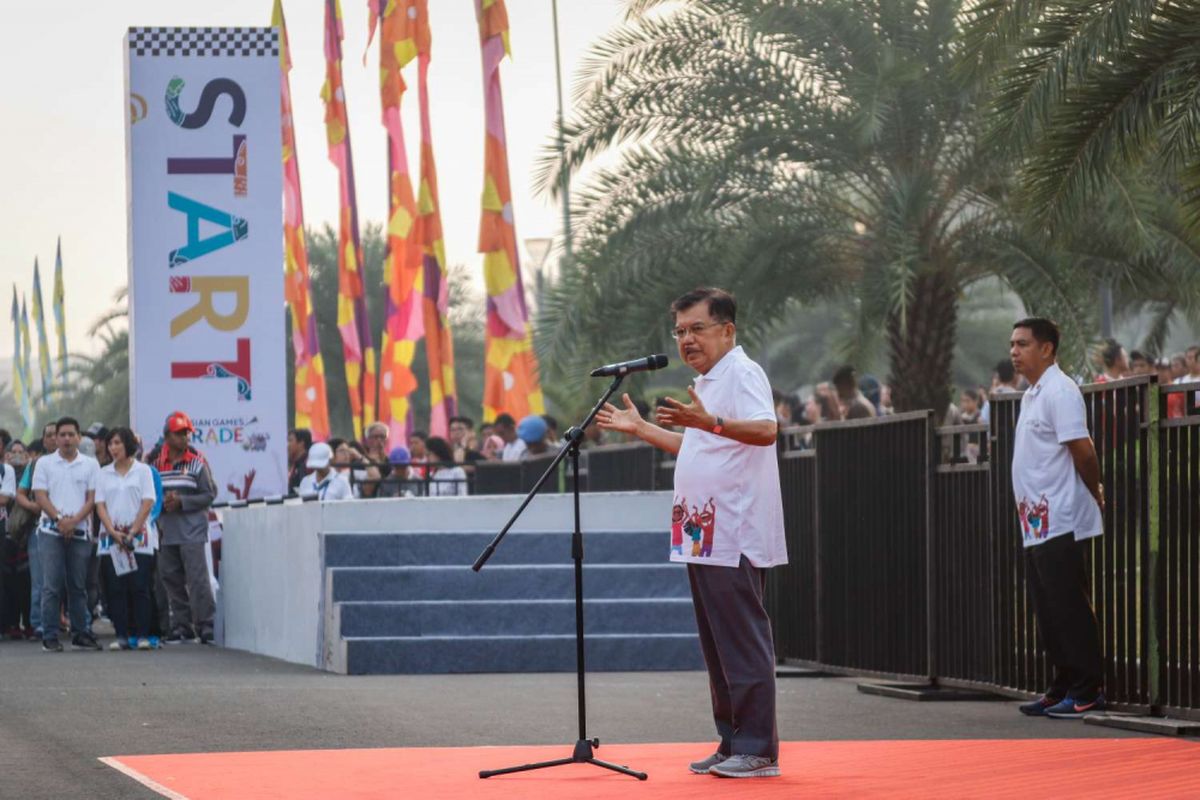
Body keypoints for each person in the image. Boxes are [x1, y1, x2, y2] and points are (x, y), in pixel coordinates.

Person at [597, 287, 785, 779]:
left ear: (727, 329)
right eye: (680, 331)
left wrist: (712, 421)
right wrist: (640, 429)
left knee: (742, 640)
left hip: (734, 531)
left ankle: (759, 748)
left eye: (697, 328)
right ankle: (732, 740)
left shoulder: (741, 372)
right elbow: (699, 447)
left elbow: (767, 431)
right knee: (717, 645)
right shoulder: (710, 381)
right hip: (703, 531)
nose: (686, 339)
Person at [1009, 318, 1106, 719]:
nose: (1014, 351)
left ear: (1047, 348)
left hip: (1061, 518)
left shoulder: (1061, 391)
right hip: (1036, 523)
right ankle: (1062, 684)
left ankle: (1087, 689)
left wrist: (1096, 490)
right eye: (1012, 344)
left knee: (1069, 606)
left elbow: (1082, 450)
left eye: (1023, 344)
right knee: (1048, 610)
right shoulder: (1033, 394)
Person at [32, 416, 101, 652]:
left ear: (79, 437)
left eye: (71, 434)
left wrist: (74, 522)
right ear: (55, 438)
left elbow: (92, 499)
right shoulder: (44, 463)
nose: (67, 439)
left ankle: (81, 633)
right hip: (51, 530)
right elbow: (40, 496)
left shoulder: (90, 464)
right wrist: (61, 520)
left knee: (78, 586)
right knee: (51, 586)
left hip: (80, 531)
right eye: (62, 435)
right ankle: (49, 635)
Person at [155, 411, 217, 645]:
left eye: (186, 434)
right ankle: (182, 625)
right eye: (179, 434)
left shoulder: (197, 462)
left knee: (198, 579)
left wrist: (182, 502)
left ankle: (206, 624)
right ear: (167, 436)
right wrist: (163, 504)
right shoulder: (156, 464)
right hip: (165, 531)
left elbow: (210, 494)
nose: (184, 438)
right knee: (170, 579)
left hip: (192, 531)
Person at [95, 427, 157, 651]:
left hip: (138, 537)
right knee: (115, 588)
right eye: (110, 443)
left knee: (140, 587)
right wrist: (113, 531)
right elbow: (100, 504)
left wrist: (131, 532)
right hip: (112, 538)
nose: (113, 448)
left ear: (128, 444)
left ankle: (142, 635)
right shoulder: (103, 473)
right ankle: (121, 635)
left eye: (118, 443)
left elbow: (148, 501)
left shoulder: (143, 471)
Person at [286, 428, 312, 495]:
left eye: (290, 440)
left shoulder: (309, 464)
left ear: (301, 443)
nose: (287, 445)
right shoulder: (295, 465)